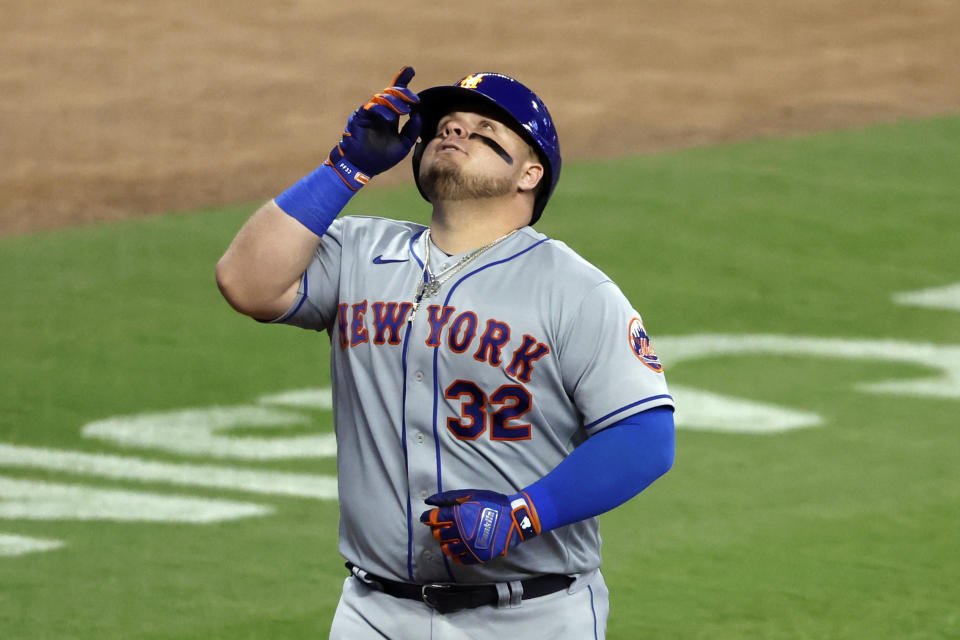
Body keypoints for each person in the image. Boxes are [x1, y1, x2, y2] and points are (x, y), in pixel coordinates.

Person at [216, 67, 675, 639]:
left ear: (530, 173)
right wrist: (344, 167)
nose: (454, 133)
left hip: (531, 615)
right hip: (374, 610)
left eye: (484, 130)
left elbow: (646, 439)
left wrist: (521, 517)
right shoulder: (361, 251)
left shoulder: (574, 289)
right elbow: (245, 282)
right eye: (445, 127)